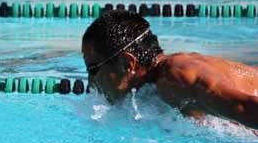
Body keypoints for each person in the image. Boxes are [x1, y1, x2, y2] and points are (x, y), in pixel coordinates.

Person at [81, 10, 258, 129]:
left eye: (93, 69)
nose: (90, 82)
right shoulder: (156, 87)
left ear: (128, 64)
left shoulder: (176, 77)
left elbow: (243, 107)